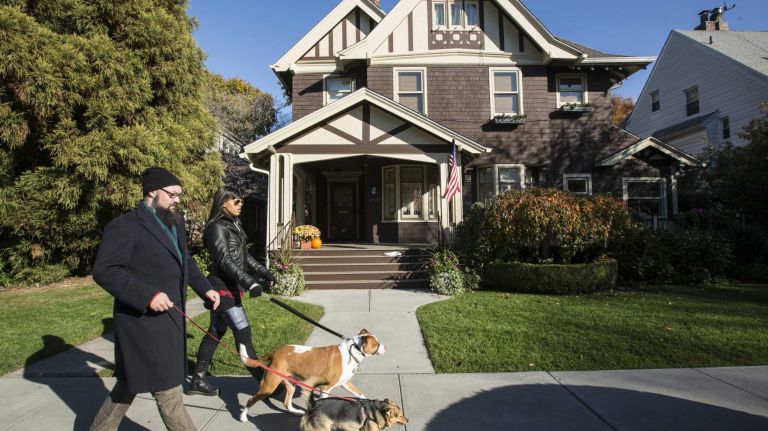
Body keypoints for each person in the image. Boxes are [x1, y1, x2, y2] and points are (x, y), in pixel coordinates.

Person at [89, 167, 221, 431]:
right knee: (169, 391)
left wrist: (205, 288)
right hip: (141, 323)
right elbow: (105, 271)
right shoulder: (125, 226)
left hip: (171, 320)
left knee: (129, 385)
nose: (177, 200)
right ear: (152, 191)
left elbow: (185, 261)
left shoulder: (175, 222)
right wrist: (148, 295)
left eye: (179, 195)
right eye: (172, 194)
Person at [186, 186, 276, 396]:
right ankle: (264, 383)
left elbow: (245, 256)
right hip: (221, 287)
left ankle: (197, 380)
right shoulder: (216, 227)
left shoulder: (233, 224)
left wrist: (265, 273)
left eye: (241, 201)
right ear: (223, 202)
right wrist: (250, 283)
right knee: (243, 332)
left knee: (216, 331)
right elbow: (224, 260)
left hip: (231, 285)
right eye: (236, 201)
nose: (240, 205)